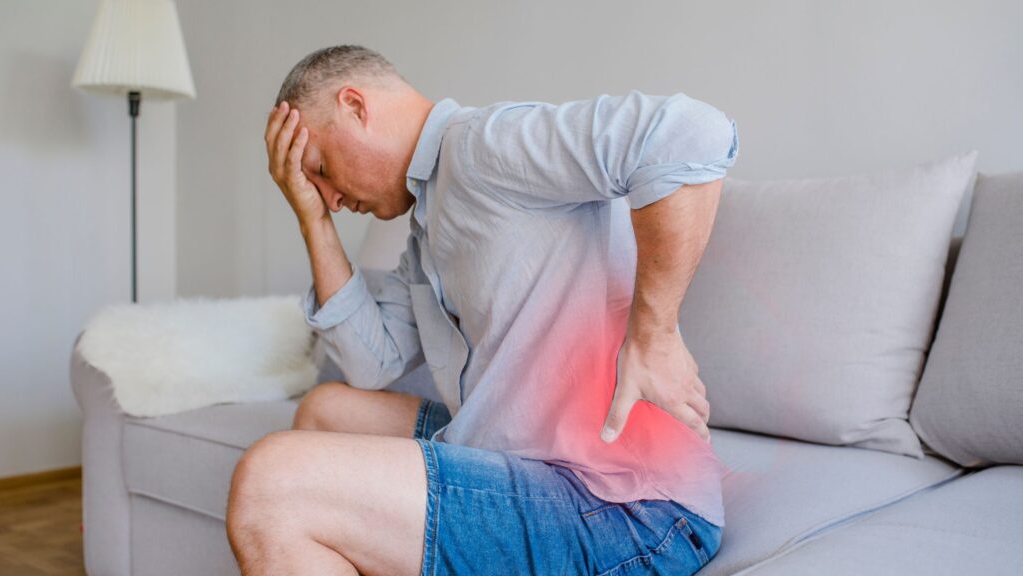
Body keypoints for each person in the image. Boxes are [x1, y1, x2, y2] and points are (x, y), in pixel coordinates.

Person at [226, 44, 738, 576]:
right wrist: (313, 220)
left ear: (355, 107)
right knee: (326, 410)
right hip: (525, 463)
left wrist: (655, 335)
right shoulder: (425, 231)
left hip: (627, 506)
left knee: (270, 483)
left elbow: (690, 131)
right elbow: (370, 364)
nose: (331, 199)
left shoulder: (484, 146)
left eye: (322, 170)